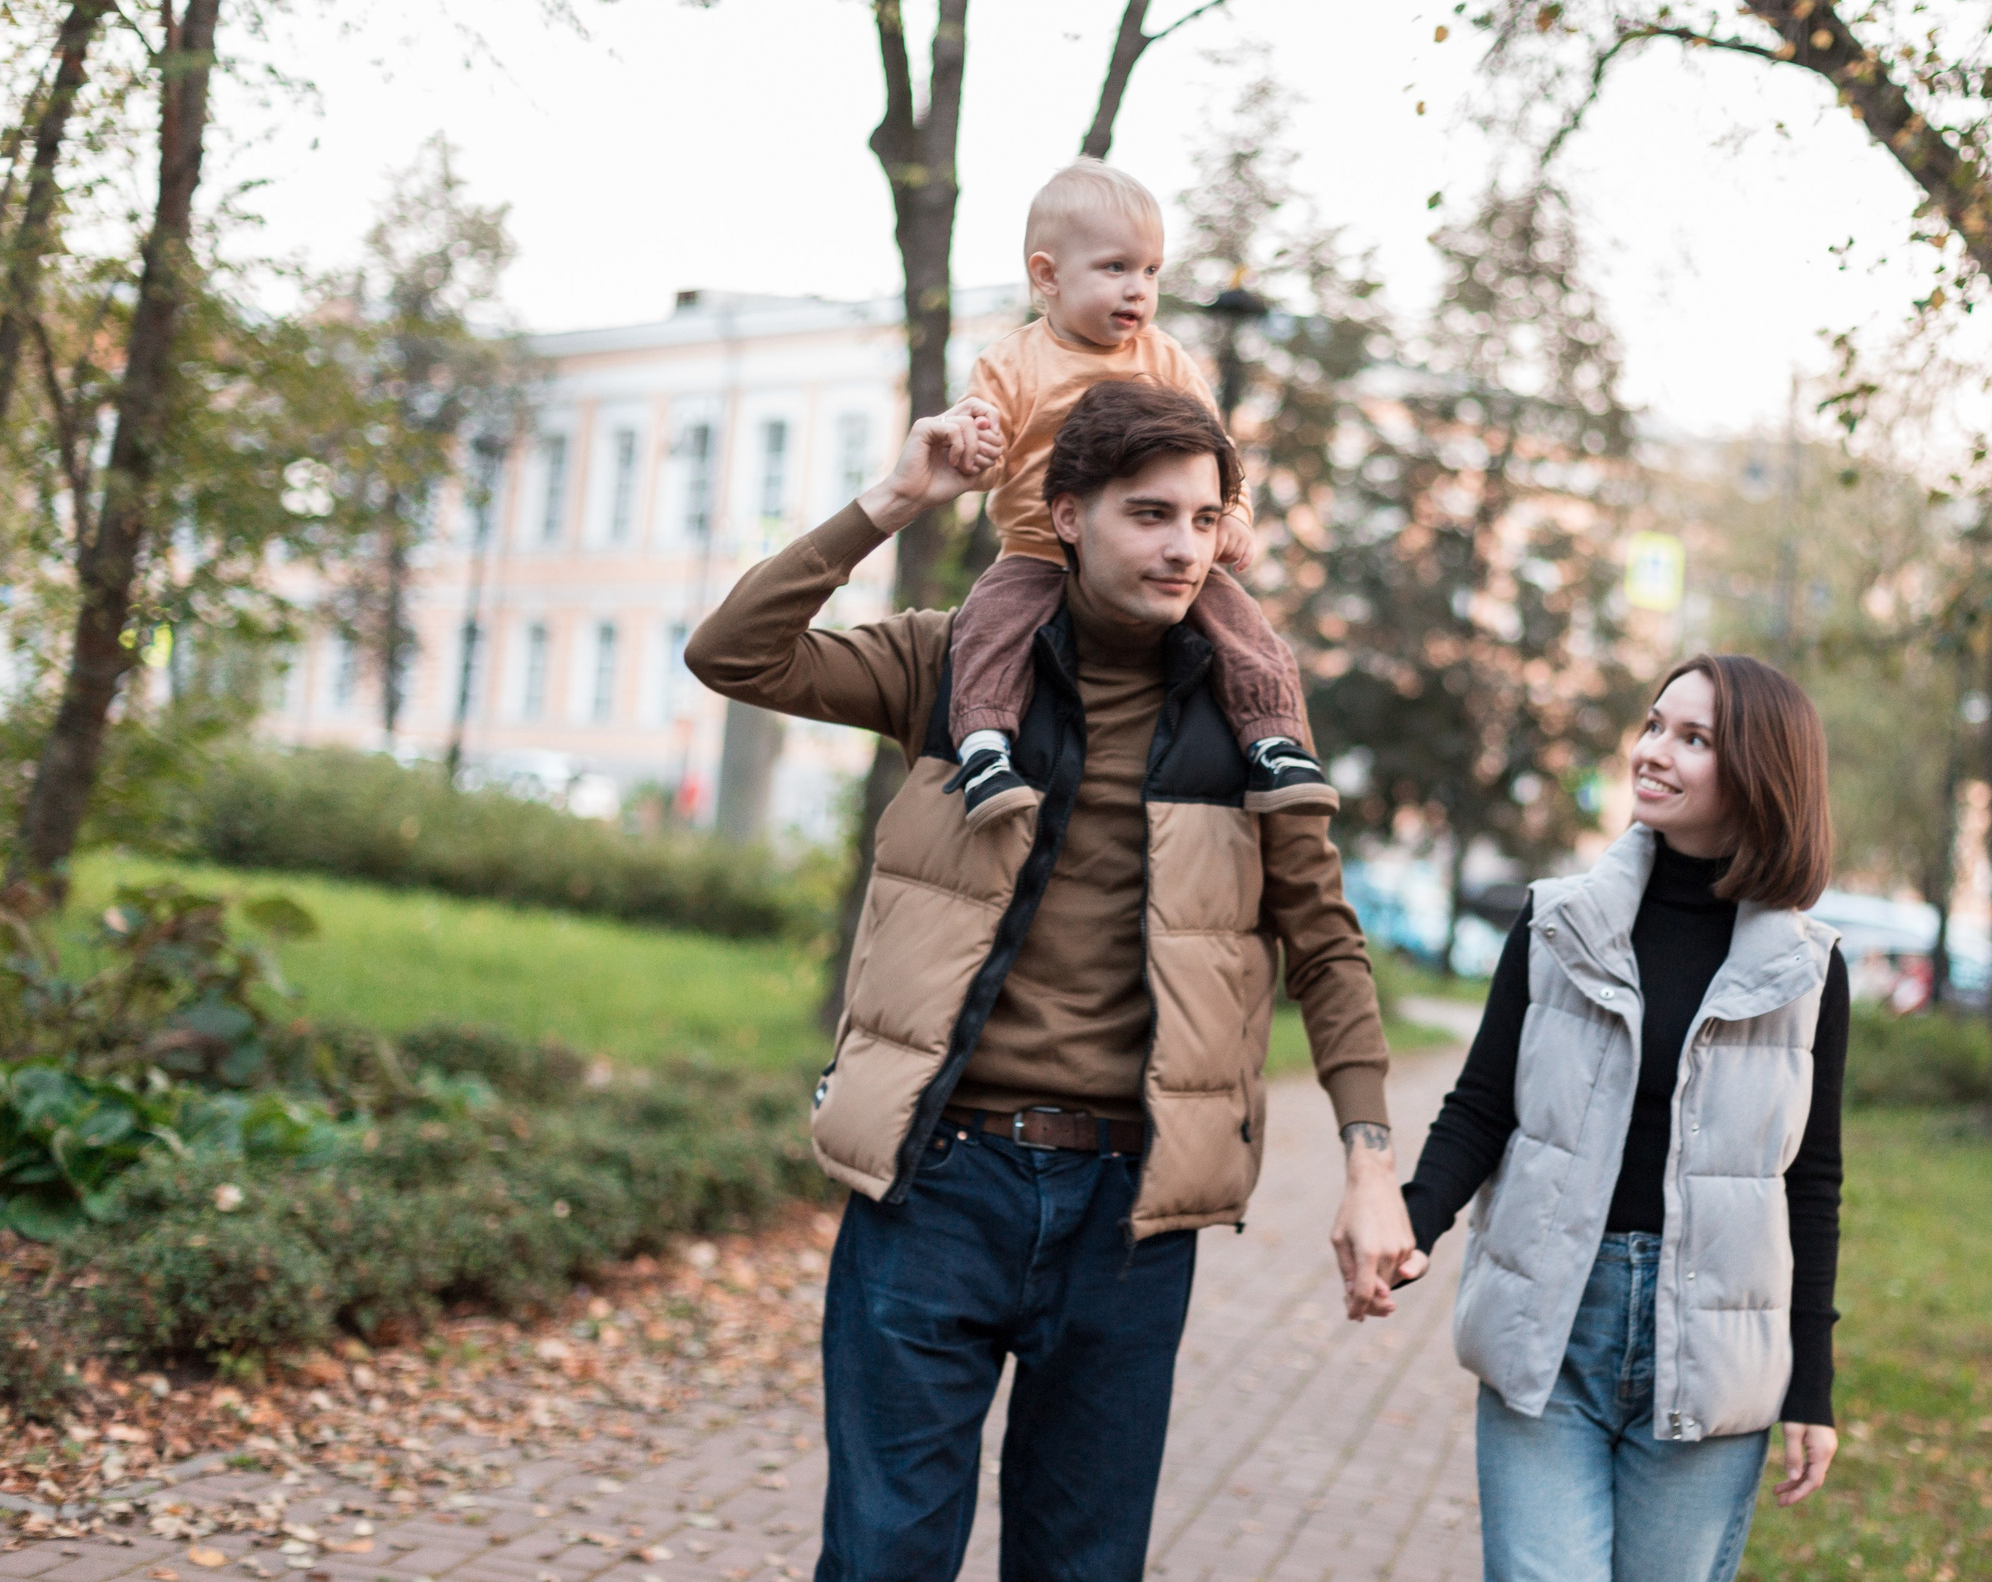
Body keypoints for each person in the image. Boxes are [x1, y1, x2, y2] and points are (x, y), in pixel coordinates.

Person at [683, 378, 1415, 1582]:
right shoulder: (952, 670)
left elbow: (1324, 944)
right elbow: (734, 654)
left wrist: (1369, 1163)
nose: (1182, 546)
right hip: (938, 1188)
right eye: (1148, 513)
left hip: (1128, 1215)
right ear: (1066, 514)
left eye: (1202, 517)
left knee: (1082, 1567)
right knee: (881, 1559)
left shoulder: (1251, 724)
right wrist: (894, 498)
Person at [1398, 654, 1849, 1582]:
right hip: (1552, 1324)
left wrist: (1812, 1384)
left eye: (1693, 739)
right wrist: (1409, 1224)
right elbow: (1483, 1105)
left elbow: (1811, 1181)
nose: (1653, 752)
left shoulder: (1808, 967)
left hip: (1716, 1346)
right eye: (1653, 725)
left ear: (1761, 773)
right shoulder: (1559, 922)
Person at [942, 156, 1334, 831]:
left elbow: (1217, 448)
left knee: (1239, 623)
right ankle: (983, 749)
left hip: (1147, 552)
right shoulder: (1010, 363)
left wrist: (1232, 514)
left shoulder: (1165, 359)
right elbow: (981, 463)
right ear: (1048, 275)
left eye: (1151, 271)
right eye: (1115, 268)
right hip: (1038, 545)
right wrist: (971, 449)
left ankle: (1273, 740)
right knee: (988, 624)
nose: (1138, 290)